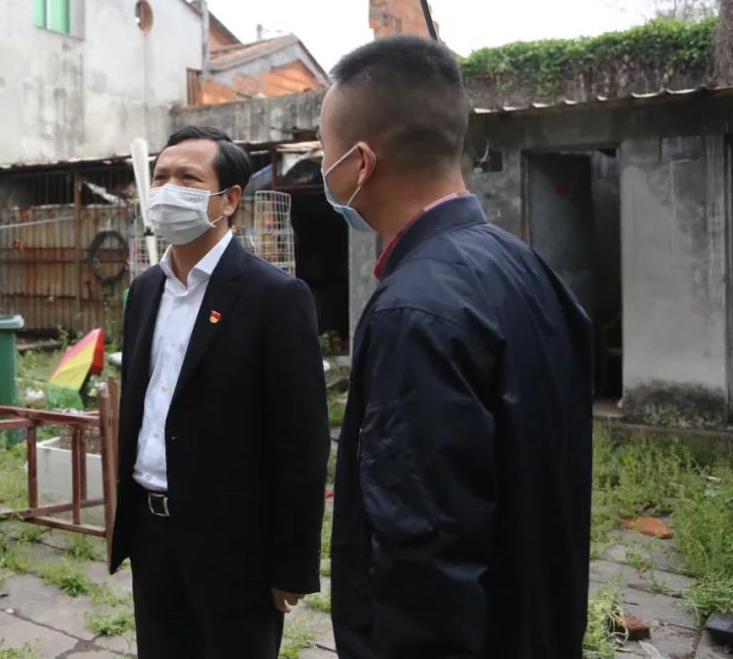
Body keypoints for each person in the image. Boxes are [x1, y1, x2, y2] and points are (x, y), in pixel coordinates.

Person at [323, 36, 593, 659]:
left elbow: (422, 561)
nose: (324, 169)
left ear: (360, 163)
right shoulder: (526, 266)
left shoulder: (413, 312)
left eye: (324, 152)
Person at [108, 125, 330, 658]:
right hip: (152, 535)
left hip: (235, 548)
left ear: (229, 199)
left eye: (188, 178)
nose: (168, 190)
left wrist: (291, 565)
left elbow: (302, 443)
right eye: (160, 177)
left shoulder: (274, 296)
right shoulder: (145, 290)